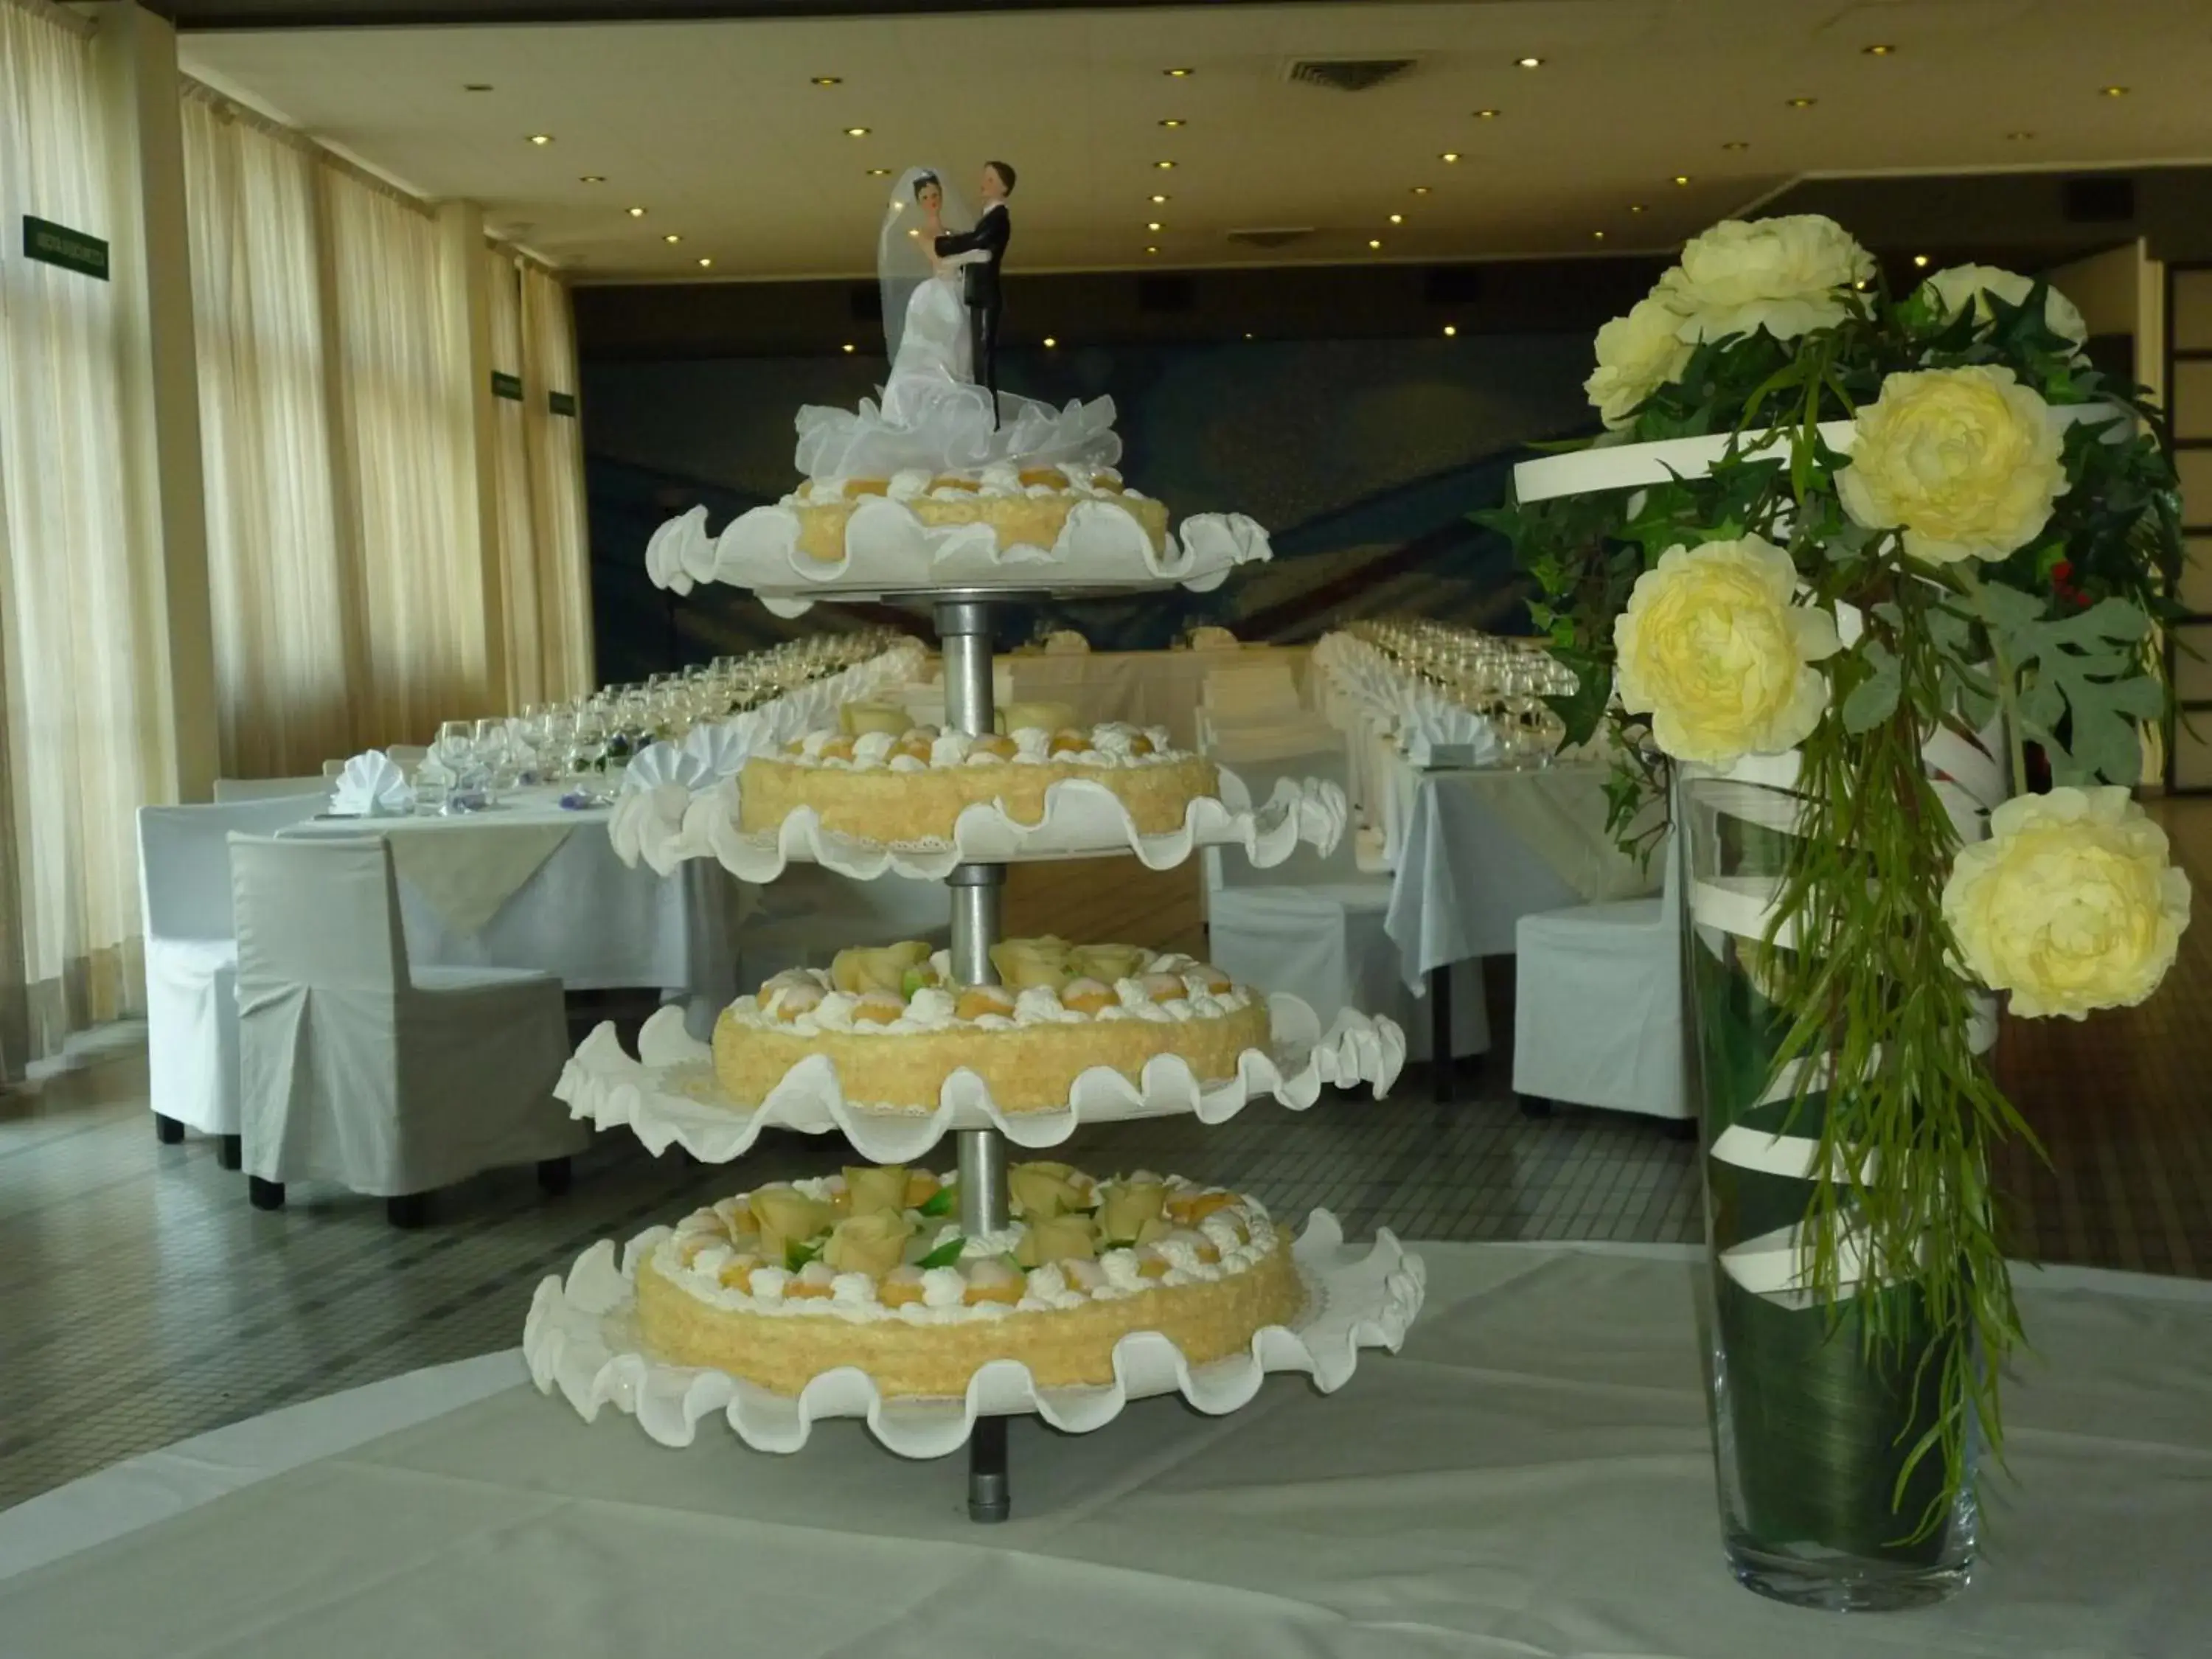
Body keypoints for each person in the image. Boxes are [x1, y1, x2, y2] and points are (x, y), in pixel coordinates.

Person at [925, 161, 1015, 425]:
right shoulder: (989, 216)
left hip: (986, 295)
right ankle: (983, 417)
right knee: (977, 360)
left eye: (990, 180)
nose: (983, 184)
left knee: (983, 361)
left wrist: (942, 244)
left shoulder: (998, 219)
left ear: (1004, 187)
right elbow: (975, 244)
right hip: (977, 293)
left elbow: (977, 241)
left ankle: (990, 422)